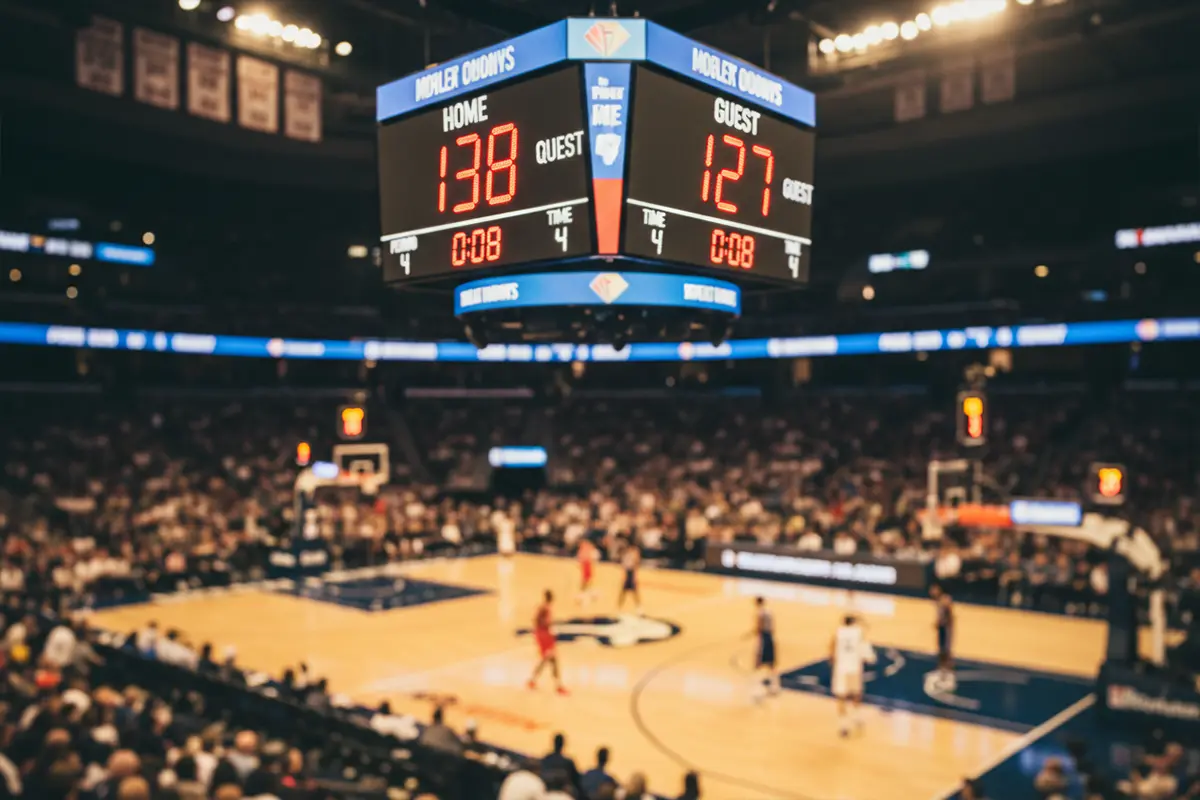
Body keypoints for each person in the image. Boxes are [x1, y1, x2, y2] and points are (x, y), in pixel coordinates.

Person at [831, 614, 872, 737]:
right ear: (854, 623)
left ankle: (843, 726)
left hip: (842, 668)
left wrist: (833, 659)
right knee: (856, 694)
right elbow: (865, 647)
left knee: (841, 697)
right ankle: (857, 718)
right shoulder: (858, 632)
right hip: (854, 667)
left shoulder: (838, 632)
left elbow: (831, 648)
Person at [528, 590, 568, 695]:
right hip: (544, 636)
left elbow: (536, 621)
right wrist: (551, 629)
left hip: (542, 635)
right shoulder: (546, 609)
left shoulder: (542, 607)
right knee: (550, 660)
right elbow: (544, 622)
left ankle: (534, 681)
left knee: (548, 660)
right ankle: (558, 685)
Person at [752, 597, 779, 700]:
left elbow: (759, 627)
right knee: (771, 664)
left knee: (760, 663)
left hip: (765, 638)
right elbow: (773, 626)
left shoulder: (760, 613)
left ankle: (758, 687)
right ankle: (774, 686)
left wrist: (755, 633)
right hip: (770, 637)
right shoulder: (769, 611)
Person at [932, 584, 956, 690]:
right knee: (941, 649)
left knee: (946, 649)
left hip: (946, 629)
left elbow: (949, 616)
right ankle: (943, 670)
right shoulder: (938, 601)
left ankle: (949, 672)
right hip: (942, 628)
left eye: (934, 589)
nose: (932, 592)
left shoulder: (945, 600)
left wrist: (941, 623)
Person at [617, 542, 641, 614]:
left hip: (631, 573)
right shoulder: (627, 555)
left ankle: (638, 608)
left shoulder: (632, 555)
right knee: (624, 592)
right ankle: (619, 607)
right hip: (628, 573)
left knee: (634, 592)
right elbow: (625, 566)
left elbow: (635, 565)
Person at [577, 539, 598, 607]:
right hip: (586, 564)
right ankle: (586, 594)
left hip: (587, 564)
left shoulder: (586, 548)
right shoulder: (586, 548)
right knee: (586, 582)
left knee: (587, 582)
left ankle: (587, 593)